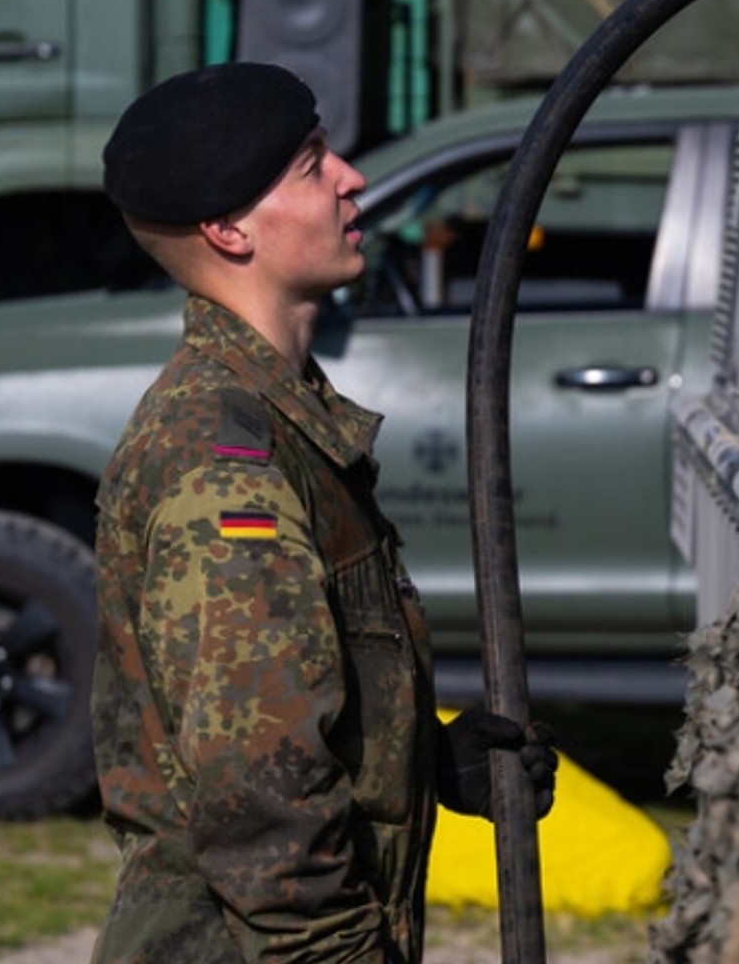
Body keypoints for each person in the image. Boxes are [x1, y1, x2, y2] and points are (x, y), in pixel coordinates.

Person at [89, 61, 553, 964]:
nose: (352, 178)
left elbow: (281, 723)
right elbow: (261, 798)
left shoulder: (284, 420)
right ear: (228, 229)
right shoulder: (223, 472)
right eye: (310, 165)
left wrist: (420, 763)